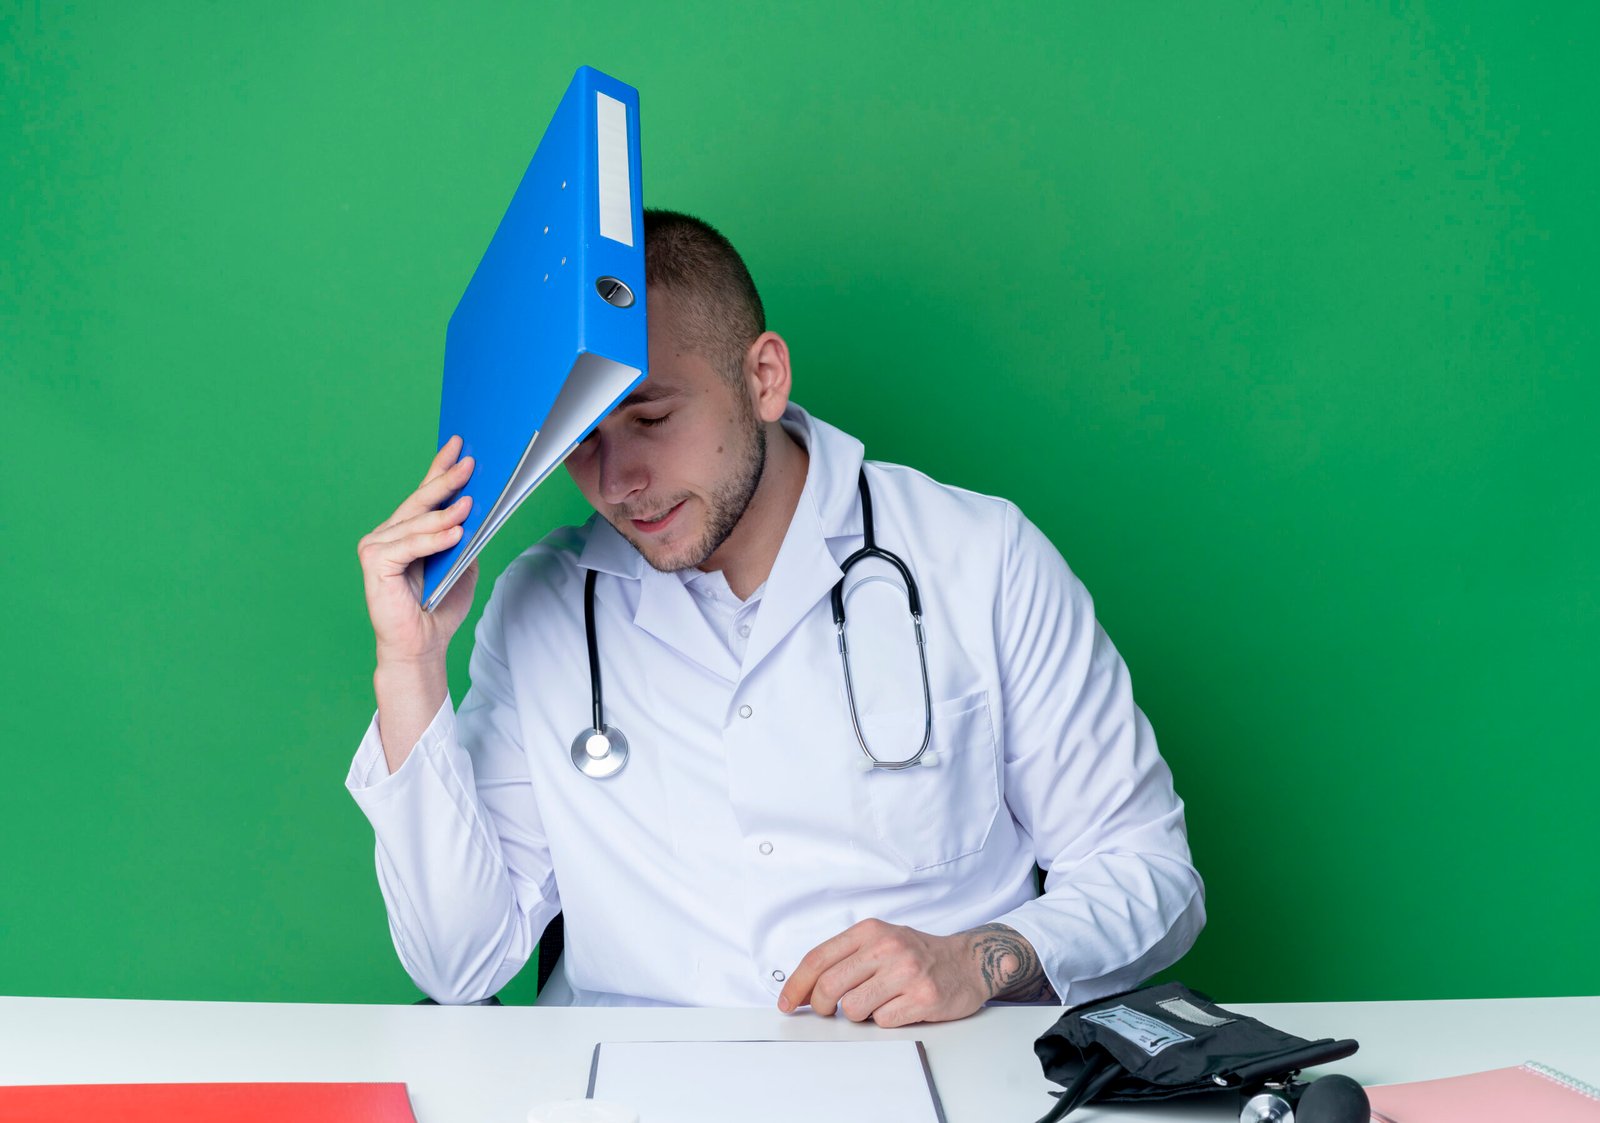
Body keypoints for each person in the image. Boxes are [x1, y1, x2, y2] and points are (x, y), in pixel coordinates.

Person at [348, 209, 1205, 1025]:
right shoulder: (542, 609)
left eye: (650, 419)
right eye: (581, 441)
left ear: (763, 377)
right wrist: (409, 664)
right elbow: (460, 964)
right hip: (638, 1096)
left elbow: (1151, 875)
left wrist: (978, 957)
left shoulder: (980, 559)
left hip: (920, 1082)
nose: (618, 481)